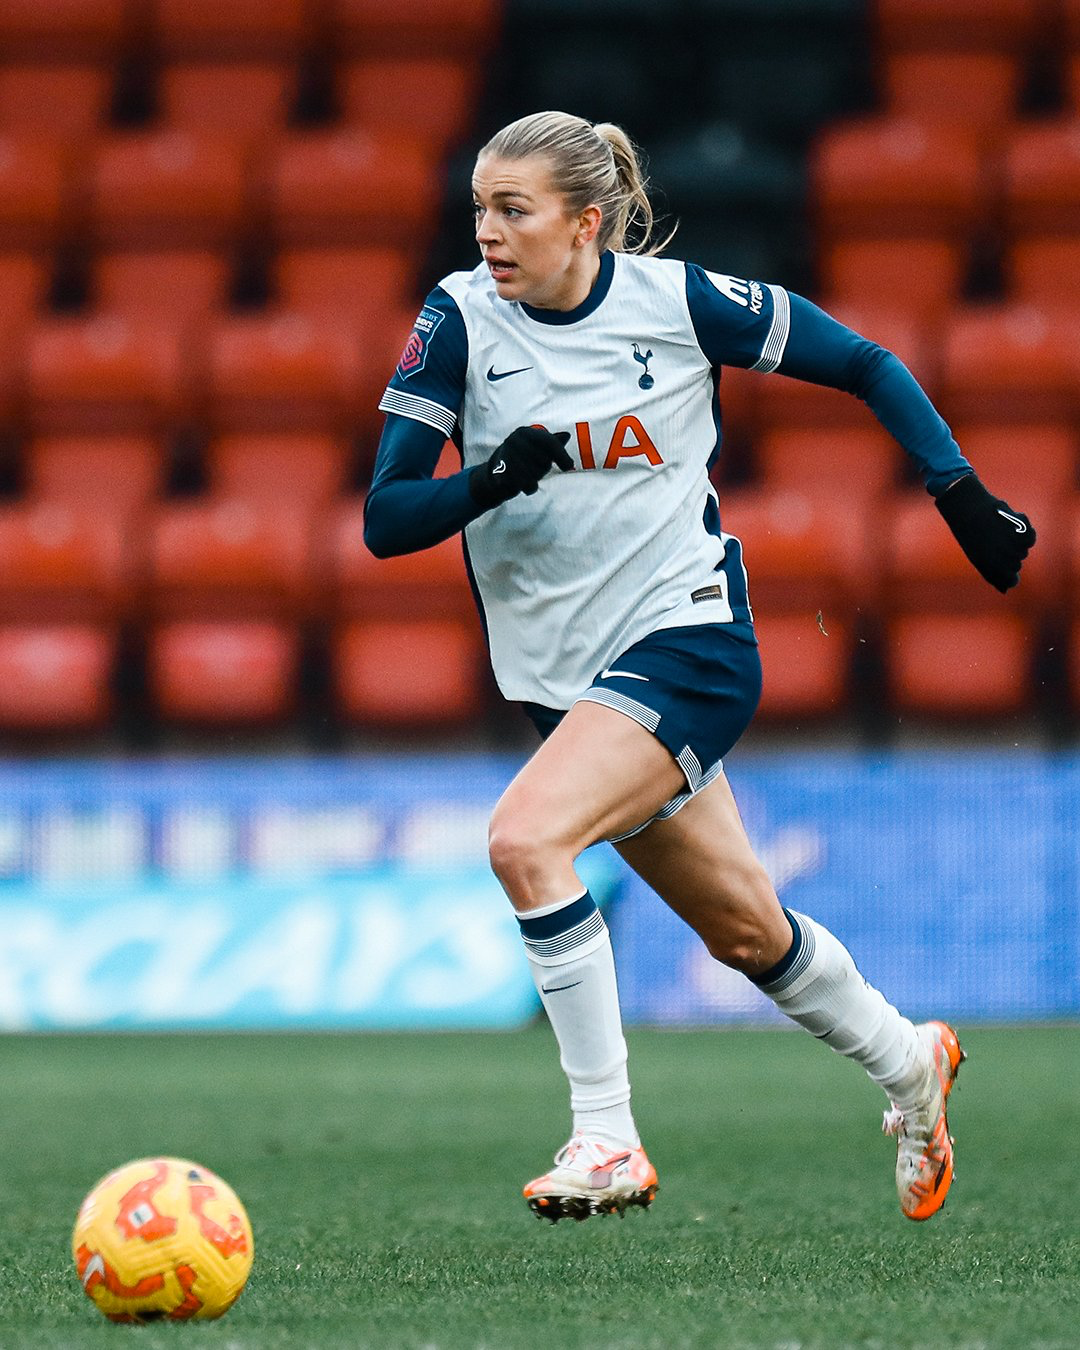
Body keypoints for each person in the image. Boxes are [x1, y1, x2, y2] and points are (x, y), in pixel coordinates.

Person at [363, 111, 1034, 1224]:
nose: (487, 231)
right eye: (479, 206)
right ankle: (910, 1062)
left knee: (525, 841)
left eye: (513, 210)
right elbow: (388, 519)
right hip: (563, 685)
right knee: (747, 934)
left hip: (687, 642)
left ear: (585, 223)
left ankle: (607, 1137)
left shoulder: (676, 305)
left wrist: (955, 488)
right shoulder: (457, 317)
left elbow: (864, 362)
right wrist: (489, 480)